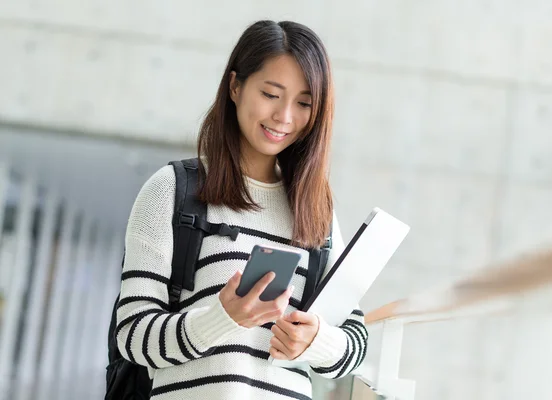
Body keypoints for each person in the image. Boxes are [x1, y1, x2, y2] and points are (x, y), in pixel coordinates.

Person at [116, 20, 368, 400]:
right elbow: (131, 334)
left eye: (303, 103)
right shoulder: (172, 189)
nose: (285, 116)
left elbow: (356, 339)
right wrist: (222, 319)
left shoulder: (316, 210)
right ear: (235, 86)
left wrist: (316, 342)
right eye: (271, 94)